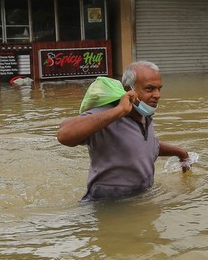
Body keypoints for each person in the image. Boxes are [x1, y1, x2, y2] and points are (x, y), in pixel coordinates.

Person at [57, 61, 190, 201]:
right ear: (128, 89)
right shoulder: (107, 115)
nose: (157, 95)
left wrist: (180, 152)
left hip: (140, 199)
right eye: (150, 89)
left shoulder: (145, 116)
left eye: (159, 89)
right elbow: (64, 134)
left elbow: (144, 145)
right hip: (106, 205)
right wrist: (119, 110)